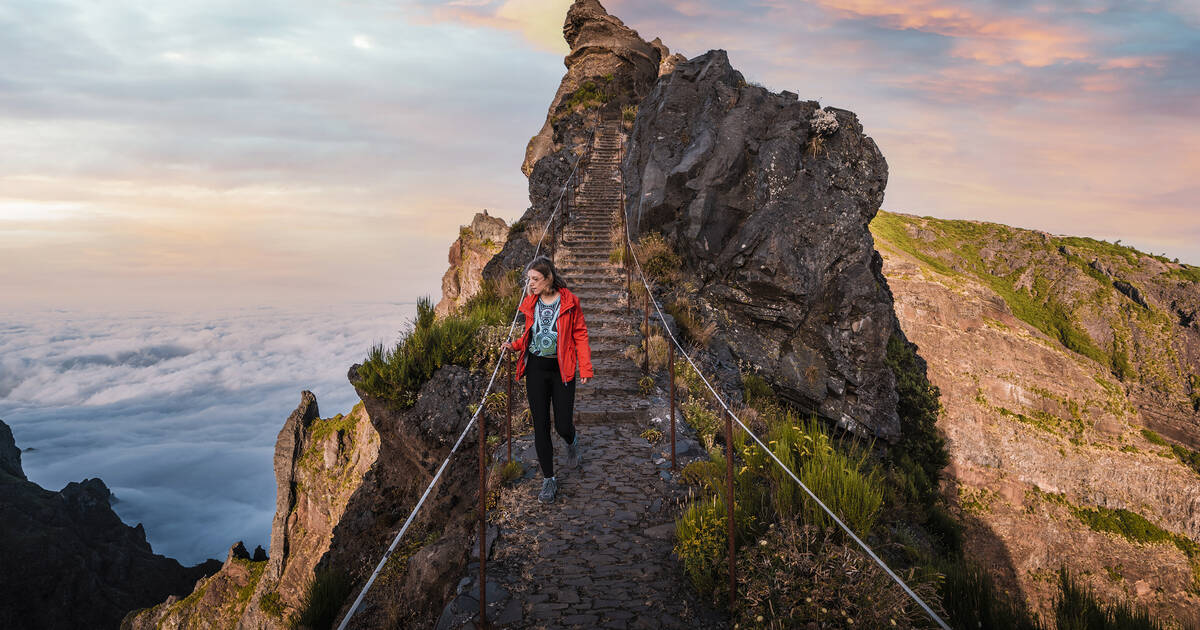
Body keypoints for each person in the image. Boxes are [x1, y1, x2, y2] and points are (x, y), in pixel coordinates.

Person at [502, 256, 593, 503]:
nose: (530, 284)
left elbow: (580, 335)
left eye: (535, 279)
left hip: (562, 370)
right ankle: (549, 480)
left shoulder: (570, 302)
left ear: (548, 278)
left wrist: (584, 367)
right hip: (536, 371)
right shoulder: (530, 303)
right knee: (540, 425)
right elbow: (532, 333)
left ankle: (571, 440)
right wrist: (516, 346)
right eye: (528, 279)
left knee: (563, 424)